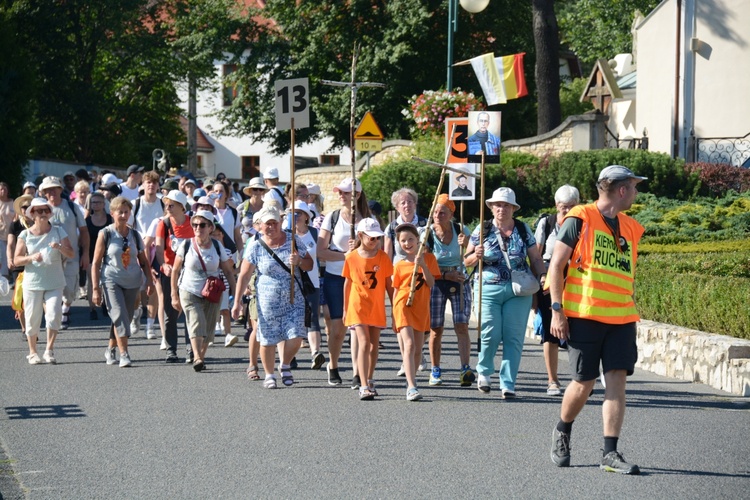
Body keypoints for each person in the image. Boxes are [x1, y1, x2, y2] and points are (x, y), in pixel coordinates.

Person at [548, 165, 646, 475]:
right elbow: (556, 266)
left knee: (617, 381)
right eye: (633, 187)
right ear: (621, 190)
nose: (636, 192)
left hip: (621, 317)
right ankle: (563, 429)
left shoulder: (631, 227)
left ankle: (610, 452)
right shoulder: (581, 217)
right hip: (585, 315)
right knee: (584, 383)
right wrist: (557, 309)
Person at [463, 187, 546, 398]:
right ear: (491, 208)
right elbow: (466, 261)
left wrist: (543, 275)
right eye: (498, 205)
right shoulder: (482, 229)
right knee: (490, 333)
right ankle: (484, 372)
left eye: (506, 205)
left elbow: (535, 258)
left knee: (514, 337)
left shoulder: (522, 228)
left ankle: (508, 382)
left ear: (513, 208)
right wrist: (476, 255)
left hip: (519, 290)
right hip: (488, 286)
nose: (502, 209)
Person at [231, 206, 313, 389]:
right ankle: (269, 374)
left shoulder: (293, 240)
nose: (271, 227)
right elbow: (244, 275)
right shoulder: (255, 246)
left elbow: (310, 265)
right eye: (267, 224)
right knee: (268, 339)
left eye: (275, 223)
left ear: (281, 223)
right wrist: (236, 302)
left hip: (294, 298)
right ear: (260, 226)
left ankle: (284, 364)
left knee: (297, 336)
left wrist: (299, 261)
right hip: (267, 301)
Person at [316, 177, 370, 385]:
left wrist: (360, 251)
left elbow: (377, 248)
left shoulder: (367, 220)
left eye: (345, 192)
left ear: (356, 195)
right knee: (337, 327)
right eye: (339, 192)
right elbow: (320, 251)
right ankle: (333, 364)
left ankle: (358, 372)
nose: (341, 196)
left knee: (357, 326)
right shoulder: (333, 217)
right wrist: (346, 255)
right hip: (335, 277)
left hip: (360, 279)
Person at [91, 196, 154, 368]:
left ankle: (110, 347)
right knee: (119, 314)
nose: (124, 215)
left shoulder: (134, 234)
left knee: (123, 317)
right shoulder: (106, 233)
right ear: (112, 213)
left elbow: (143, 260)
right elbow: (96, 262)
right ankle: (124, 353)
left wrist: (149, 280)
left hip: (132, 281)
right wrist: (95, 289)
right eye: (120, 212)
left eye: (127, 212)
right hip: (111, 280)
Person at [172, 210, 236, 372]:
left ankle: (201, 356)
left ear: (210, 228)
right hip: (189, 289)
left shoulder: (217, 246)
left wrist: (236, 294)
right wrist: (174, 294)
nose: (197, 228)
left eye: (202, 225)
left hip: (212, 291)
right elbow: (175, 270)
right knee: (196, 320)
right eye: (194, 225)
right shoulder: (186, 244)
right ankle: (197, 357)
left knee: (208, 327)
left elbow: (228, 271)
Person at [14, 198, 76, 364]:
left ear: (49, 213)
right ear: (32, 214)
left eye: (45, 210)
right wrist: (31, 257)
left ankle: (49, 350)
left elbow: (71, 254)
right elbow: (16, 260)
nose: (42, 214)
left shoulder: (58, 231)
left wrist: (60, 247)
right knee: (32, 317)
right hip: (33, 282)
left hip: (55, 281)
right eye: (38, 211)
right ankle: (33, 352)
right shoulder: (25, 234)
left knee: (54, 314)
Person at [423, 195, 475, 386]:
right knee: (436, 328)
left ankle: (465, 368)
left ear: (452, 214)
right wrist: (445, 276)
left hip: (459, 280)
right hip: (437, 282)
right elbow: (425, 266)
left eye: (442, 212)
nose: (438, 215)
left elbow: (470, 258)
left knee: (461, 325)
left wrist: (467, 247)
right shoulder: (426, 234)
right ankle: (435, 370)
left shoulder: (461, 230)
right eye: (435, 212)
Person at [534, 184, 580, 396]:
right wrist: (541, 278)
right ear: (556, 205)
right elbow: (536, 255)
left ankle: (579, 380)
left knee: (578, 331)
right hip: (549, 282)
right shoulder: (546, 223)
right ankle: (552, 380)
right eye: (563, 207)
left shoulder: (584, 223)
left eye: (572, 206)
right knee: (550, 331)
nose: (567, 211)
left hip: (577, 282)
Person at [343, 218, 393, 400]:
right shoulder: (351, 257)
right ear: (360, 235)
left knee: (373, 346)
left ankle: (370, 378)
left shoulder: (383, 257)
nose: (374, 241)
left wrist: (395, 307)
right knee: (363, 343)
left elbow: (389, 284)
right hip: (358, 306)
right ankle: (363, 384)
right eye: (371, 237)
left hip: (377, 306)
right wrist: (344, 308)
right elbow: (347, 284)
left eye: (377, 238)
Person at [392, 223, 439, 401]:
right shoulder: (399, 265)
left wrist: (422, 266)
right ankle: (411, 386)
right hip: (402, 306)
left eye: (410, 239)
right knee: (409, 344)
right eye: (403, 240)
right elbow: (396, 291)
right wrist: (393, 317)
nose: (407, 243)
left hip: (421, 307)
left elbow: (431, 283)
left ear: (418, 240)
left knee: (418, 349)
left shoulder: (429, 259)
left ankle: (412, 379)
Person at [40, 176, 89, 330]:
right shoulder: (40, 209)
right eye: (48, 190)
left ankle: (65, 309)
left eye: (54, 188)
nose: (52, 192)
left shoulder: (72, 208)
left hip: (70, 256)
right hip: (48, 258)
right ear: (43, 193)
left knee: (69, 292)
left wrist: (86, 253)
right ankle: (53, 316)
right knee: (47, 290)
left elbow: (84, 231)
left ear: (61, 190)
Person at [155, 190, 194, 363]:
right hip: (170, 273)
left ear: (181, 206)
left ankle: (191, 349)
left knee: (190, 312)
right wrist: (163, 264)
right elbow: (158, 249)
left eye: (172, 205)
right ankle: (171, 350)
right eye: (166, 204)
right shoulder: (163, 223)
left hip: (190, 273)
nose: (168, 207)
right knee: (171, 312)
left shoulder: (193, 223)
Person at [286, 201, 325, 370]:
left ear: (307, 217)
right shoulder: (285, 235)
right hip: (290, 283)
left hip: (311, 281)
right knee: (292, 319)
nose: (295, 216)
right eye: (292, 213)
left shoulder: (316, 234)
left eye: (299, 213)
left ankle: (315, 353)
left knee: (313, 318)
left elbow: (323, 253)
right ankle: (290, 356)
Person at [7, 194, 34, 337]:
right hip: (20, 265)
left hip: (36, 264)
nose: (26, 209)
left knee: (35, 298)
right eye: (24, 207)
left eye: (29, 207)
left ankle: (35, 325)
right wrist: (9, 258)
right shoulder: (15, 225)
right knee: (21, 297)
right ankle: (25, 329)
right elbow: (10, 243)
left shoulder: (38, 224)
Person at [85, 192, 113, 320]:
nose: (95, 205)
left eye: (98, 202)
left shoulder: (110, 219)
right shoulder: (87, 220)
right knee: (92, 281)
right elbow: (83, 239)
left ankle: (105, 303)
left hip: (108, 253)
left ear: (103, 204)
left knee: (106, 281)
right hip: (91, 253)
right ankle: (92, 308)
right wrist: (84, 254)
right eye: (93, 202)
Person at [0, 182, 14, 279]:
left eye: (5, 189)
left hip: (11, 233)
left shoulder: (13, 202)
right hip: (1, 233)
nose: (3, 191)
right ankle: (4, 277)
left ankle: (12, 275)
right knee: (3, 256)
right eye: (1, 189)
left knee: (11, 254)